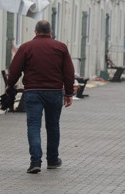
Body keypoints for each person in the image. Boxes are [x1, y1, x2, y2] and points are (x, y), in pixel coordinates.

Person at [6, 20, 75, 174]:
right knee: (53, 125)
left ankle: (35, 161)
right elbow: (69, 72)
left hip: (33, 92)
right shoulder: (60, 47)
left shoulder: (26, 47)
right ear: (51, 32)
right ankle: (52, 160)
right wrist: (69, 93)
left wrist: (9, 86)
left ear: (35, 32)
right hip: (55, 92)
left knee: (33, 126)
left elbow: (15, 69)